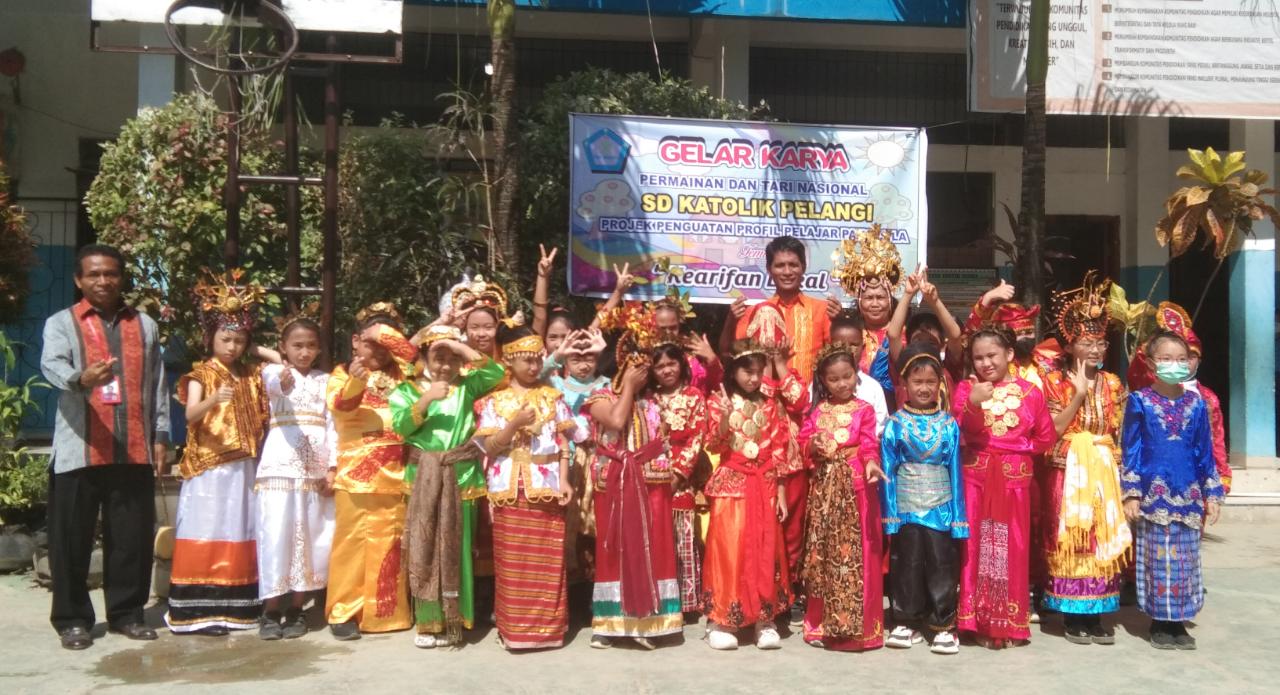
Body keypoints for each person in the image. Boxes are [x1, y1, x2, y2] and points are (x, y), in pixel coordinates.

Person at [41, 244, 170, 650]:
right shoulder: (62, 322)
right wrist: (82, 378)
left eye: (110, 273)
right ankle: (72, 619)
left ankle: (127, 614)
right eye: (94, 274)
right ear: (79, 280)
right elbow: (51, 365)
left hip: (132, 447)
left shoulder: (145, 325)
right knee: (70, 539)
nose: (103, 281)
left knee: (131, 538)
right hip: (80, 448)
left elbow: (158, 383)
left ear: (121, 277)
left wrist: (161, 435)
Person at [166, 270, 270, 635]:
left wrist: (257, 348)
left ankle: (237, 607)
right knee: (207, 530)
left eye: (240, 340)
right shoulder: (201, 375)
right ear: (210, 338)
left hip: (243, 466)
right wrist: (213, 399)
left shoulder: (250, 374)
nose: (232, 347)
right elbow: (191, 415)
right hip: (210, 467)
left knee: (239, 528)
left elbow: (279, 361)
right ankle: (198, 610)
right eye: (226, 339)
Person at [389, 325, 504, 648]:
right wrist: (426, 399)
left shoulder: (467, 387)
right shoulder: (406, 390)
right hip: (422, 477)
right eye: (437, 358)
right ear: (423, 359)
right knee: (424, 549)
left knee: (458, 550)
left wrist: (460, 345)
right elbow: (400, 427)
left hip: (461, 477)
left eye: (452, 360)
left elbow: (496, 373)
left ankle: (457, 618)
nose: (444, 366)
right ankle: (428, 622)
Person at [585, 304, 686, 649]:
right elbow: (613, 421)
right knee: (613, 548)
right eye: (637, 363)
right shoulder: (600, 395)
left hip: (651, 483)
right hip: (615, 482)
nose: (644, 370)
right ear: (622, 362)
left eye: (647, 364)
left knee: (652, 548)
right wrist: (627, 387)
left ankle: (651, 620)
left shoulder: (656, 400)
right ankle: (611, 622)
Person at [476, 327, 580, 650]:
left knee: (548, 558)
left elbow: (564, 441)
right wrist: (515, 423)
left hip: (546, 485)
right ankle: (514, 629)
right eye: (527, 361)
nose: (535, 367)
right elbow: (489, 447)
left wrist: (564, 479)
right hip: (509, 487)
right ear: (509, 360)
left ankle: (548, 630)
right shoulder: (494, 401)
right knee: (512, 560)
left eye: (537, 360)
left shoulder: (553, 397)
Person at [1040, 274, 1131, 645]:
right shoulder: (1053, 382)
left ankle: (1096, 615)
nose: (1094, 349)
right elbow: (1052, 432)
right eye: (1086, 341)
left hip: (1104, 470)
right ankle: (1072, 615)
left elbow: (1119, 431)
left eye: (1099, 342)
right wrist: (1077, 395)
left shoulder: (1113, 384)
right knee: (1072, 538)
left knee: (1099, 538)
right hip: (1067, 471)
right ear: (1070, 343)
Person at [952, 325, 1055, 648]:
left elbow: (1045, 437)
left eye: (991, 355)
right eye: (978, 357)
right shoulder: (965, 389)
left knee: (1013, 548)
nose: (985, 363)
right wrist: (972, 404)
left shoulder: (1031, 392)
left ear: (1009, 354)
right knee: (976, 550)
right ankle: (977, 621)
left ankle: (1008, 623)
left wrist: (1016, 452)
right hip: (976, 479)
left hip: (1014, 482)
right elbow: (957, 431)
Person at [1122, 331, 1223, 650]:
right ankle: (1159, 623)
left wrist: (1213, 492)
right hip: (1154, 494)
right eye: (1165, 358)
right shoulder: (1140, 401)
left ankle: (1179, 622)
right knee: (1157, 559)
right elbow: (1132, 449)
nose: (1174, 365)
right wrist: (1132, 491)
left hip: (1189, 492)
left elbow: (1204, 450)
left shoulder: (1196, 403)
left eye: (1181, 359)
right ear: (1150, 363)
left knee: (1186, 560)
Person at [703, 339, 804, 650]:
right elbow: (714, 445)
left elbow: (778, 450)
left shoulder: (770, 404)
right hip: (732, 484)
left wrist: (783, 493)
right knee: (730, 551)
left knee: (765, 549)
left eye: (759, 372)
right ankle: (723, 619)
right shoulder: (717, 401)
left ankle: (765, 619)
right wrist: (721, 419)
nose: (755, 378)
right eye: (748, 372)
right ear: (733, 371)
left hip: (765, 485)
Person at [325, 304, 418, 640]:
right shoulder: (341, 373)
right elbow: (341, 406)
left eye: (385, 344)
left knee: (390, 542)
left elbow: (414, 355)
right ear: (354, 341)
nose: (378, 350)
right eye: (369, 343)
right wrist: (355, 380)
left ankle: (385, 612)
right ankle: (343, 610)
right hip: (357, 473)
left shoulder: (403, 375)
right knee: (352, 544)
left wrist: (383, 335)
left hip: (397, 472)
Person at [797, 342, 885, 652]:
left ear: (856, 375)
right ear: (823, 380)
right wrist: (813, 444)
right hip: (824, 490)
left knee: (855, 553)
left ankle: (857, 627)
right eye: (834, 379)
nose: (842, 384)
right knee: (824, 554)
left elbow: (870, 445)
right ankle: (820, 624)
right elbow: (803, 440)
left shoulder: (865, 410)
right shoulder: (818, 409)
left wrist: (872, 463)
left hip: (856, 489)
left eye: (847, 376)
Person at [880, 346, 967, 655]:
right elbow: (887, 470)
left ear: (940, 384)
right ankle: (904, 620)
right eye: (918, 382)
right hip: (905, 506)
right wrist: (889, 514)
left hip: (941, 506)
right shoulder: (894, 424)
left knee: (942, 564)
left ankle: (943, 624)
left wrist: (959, 517)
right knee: (906, 564)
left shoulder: (949, 424)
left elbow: (955, 470)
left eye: (931, 382)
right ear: (904, 384)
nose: (925, 388)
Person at [255, 316, 337, 640]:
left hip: (314, 468)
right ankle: (271, 609)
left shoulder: (328, 380)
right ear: (283, 347)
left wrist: (332, 467)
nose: (304, 352)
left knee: (310, 536)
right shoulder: (272, 373)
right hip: (279, 467)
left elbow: (333, 425)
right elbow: (278, 385)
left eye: (311, 346)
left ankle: (298, 608)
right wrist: (283, 374)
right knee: (275, 535)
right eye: (297, 345)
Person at [1126, 302, 1231, 494]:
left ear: (1199, 360)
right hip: (1151, 481)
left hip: (1192, 482)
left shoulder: (1204, 399)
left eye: (1188, 357)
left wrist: (1220, 478)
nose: (1181, 363)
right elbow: (1133, 444)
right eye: (1168, 358)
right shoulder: (1145, 396)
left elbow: (1214, 441)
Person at [649, 341, 709, 619]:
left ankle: (685, 603)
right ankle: (658, 599)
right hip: (650, 475)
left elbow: (697, 438)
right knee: (655, 541)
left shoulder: (695, 397)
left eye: (671, 363)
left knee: (683, 540)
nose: (666, 370)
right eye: (659, 366)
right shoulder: (648, 398)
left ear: (681, 364)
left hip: (681, 481)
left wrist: (677, 475)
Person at [885, 267, 965, 409]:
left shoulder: (948, 369)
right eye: (918, 341)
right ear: (908, 343)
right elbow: (893, 334)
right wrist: (908, 295)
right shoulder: (903, 368)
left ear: (942, 345)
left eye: (931, 342)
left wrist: (934, 302)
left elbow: (955, 335)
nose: (925, 346)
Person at [827, 310, 888, 433]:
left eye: (854, 344)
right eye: (841, 344)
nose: (847, 349)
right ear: (830, 346)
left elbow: (880, 428)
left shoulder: (873, 388)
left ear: (863, 347)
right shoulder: (819, 384)